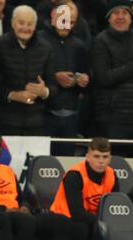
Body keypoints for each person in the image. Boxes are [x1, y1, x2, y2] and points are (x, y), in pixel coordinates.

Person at [50, 137, 119, 240]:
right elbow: (76, 212)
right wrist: (101, 222)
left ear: (110, 158)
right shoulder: (75, 175)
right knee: (82, 229)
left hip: (91, 219)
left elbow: (113, 208)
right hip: (62, 217)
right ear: (88, 156)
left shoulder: (112, 176)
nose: (101, 161)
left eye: (105, 157)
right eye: (96, 156)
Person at [0, 5, 57, 135]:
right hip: (4, 123)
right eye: (21, 23)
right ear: (13, 23)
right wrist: (13, 95)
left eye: (30, 24)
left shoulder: (46, 48)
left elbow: (53, 88)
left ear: (35, 26)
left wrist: (44, 92)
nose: (25, 28)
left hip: (37, 124)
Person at [38, 1, 89, 155]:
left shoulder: (79, 45)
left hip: (71, 113)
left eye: (72, 22)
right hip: (43, 111)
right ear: (53, 16)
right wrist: (54, 77)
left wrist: (83, 79)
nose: (67, 25)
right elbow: (28, 71)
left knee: (66, 159)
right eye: (64, 20)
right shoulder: (39, 40)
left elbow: (86, 73)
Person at [91, 0, 133, 144]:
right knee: (116, 163)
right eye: (116, 13)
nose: (120, 17)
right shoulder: (101, 41)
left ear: (131, 18)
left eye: (124, 13)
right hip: (113, 117)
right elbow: (104, 78)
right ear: (109, 18)